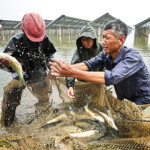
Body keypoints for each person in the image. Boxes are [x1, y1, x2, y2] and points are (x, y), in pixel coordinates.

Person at [49, 19, 150, 105]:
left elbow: (111, 77)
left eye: (107, 38)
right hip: (123, 95)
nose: (103, 42)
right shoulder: (105, 54)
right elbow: (88, 64)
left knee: (132, 124)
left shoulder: (132, 57)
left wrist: (72, 72)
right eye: (103, 37)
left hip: (142, 99)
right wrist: (65, 68)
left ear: (121, 40)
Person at [0, 12, 56, 127]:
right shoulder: (15, 41)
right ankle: (8, 126)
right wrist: (5, 64)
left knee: (44, 99)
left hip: (40, 74)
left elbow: (50, 54)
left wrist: (52, 66)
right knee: (10, 96)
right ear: (23, 29)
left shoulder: (45, 39)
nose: (35, 41)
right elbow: (5, 64)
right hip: (20, 75)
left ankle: (43, 119)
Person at [66, 23, 103, 98]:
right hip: (83, 82)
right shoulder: (79, 51)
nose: (84, 42)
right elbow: (72, 68)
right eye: (82, 39)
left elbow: (107, 71)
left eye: (87, 39)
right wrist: (70, 86)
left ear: (94, 39)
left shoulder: (102, 49)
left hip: (97, 81)